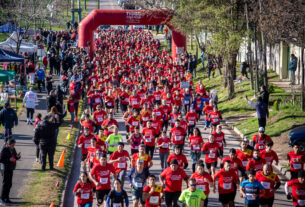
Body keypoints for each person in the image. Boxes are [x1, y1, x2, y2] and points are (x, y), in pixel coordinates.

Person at [0, 139, 21, 204]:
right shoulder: (4, 149)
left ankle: (7, 197)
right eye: (12, 145)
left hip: (11, 168)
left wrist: (17, 157)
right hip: (5, 168)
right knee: (5, 183)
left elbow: (14, 157)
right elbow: (1, 159)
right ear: (9, 144)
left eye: (14, 145)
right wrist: (9, 159)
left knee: (9, 183)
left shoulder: (13, 149)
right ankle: (2, 198)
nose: (13, 146)